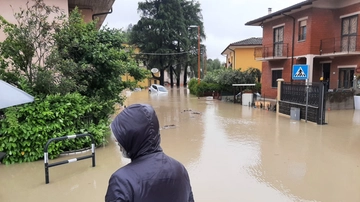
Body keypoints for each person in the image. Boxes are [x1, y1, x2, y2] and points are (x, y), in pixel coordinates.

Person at [105, 103, 194, 202]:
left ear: (131, 136)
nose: (117, 141)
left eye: (120, 136)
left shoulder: (121, 181)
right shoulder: (180, 170)